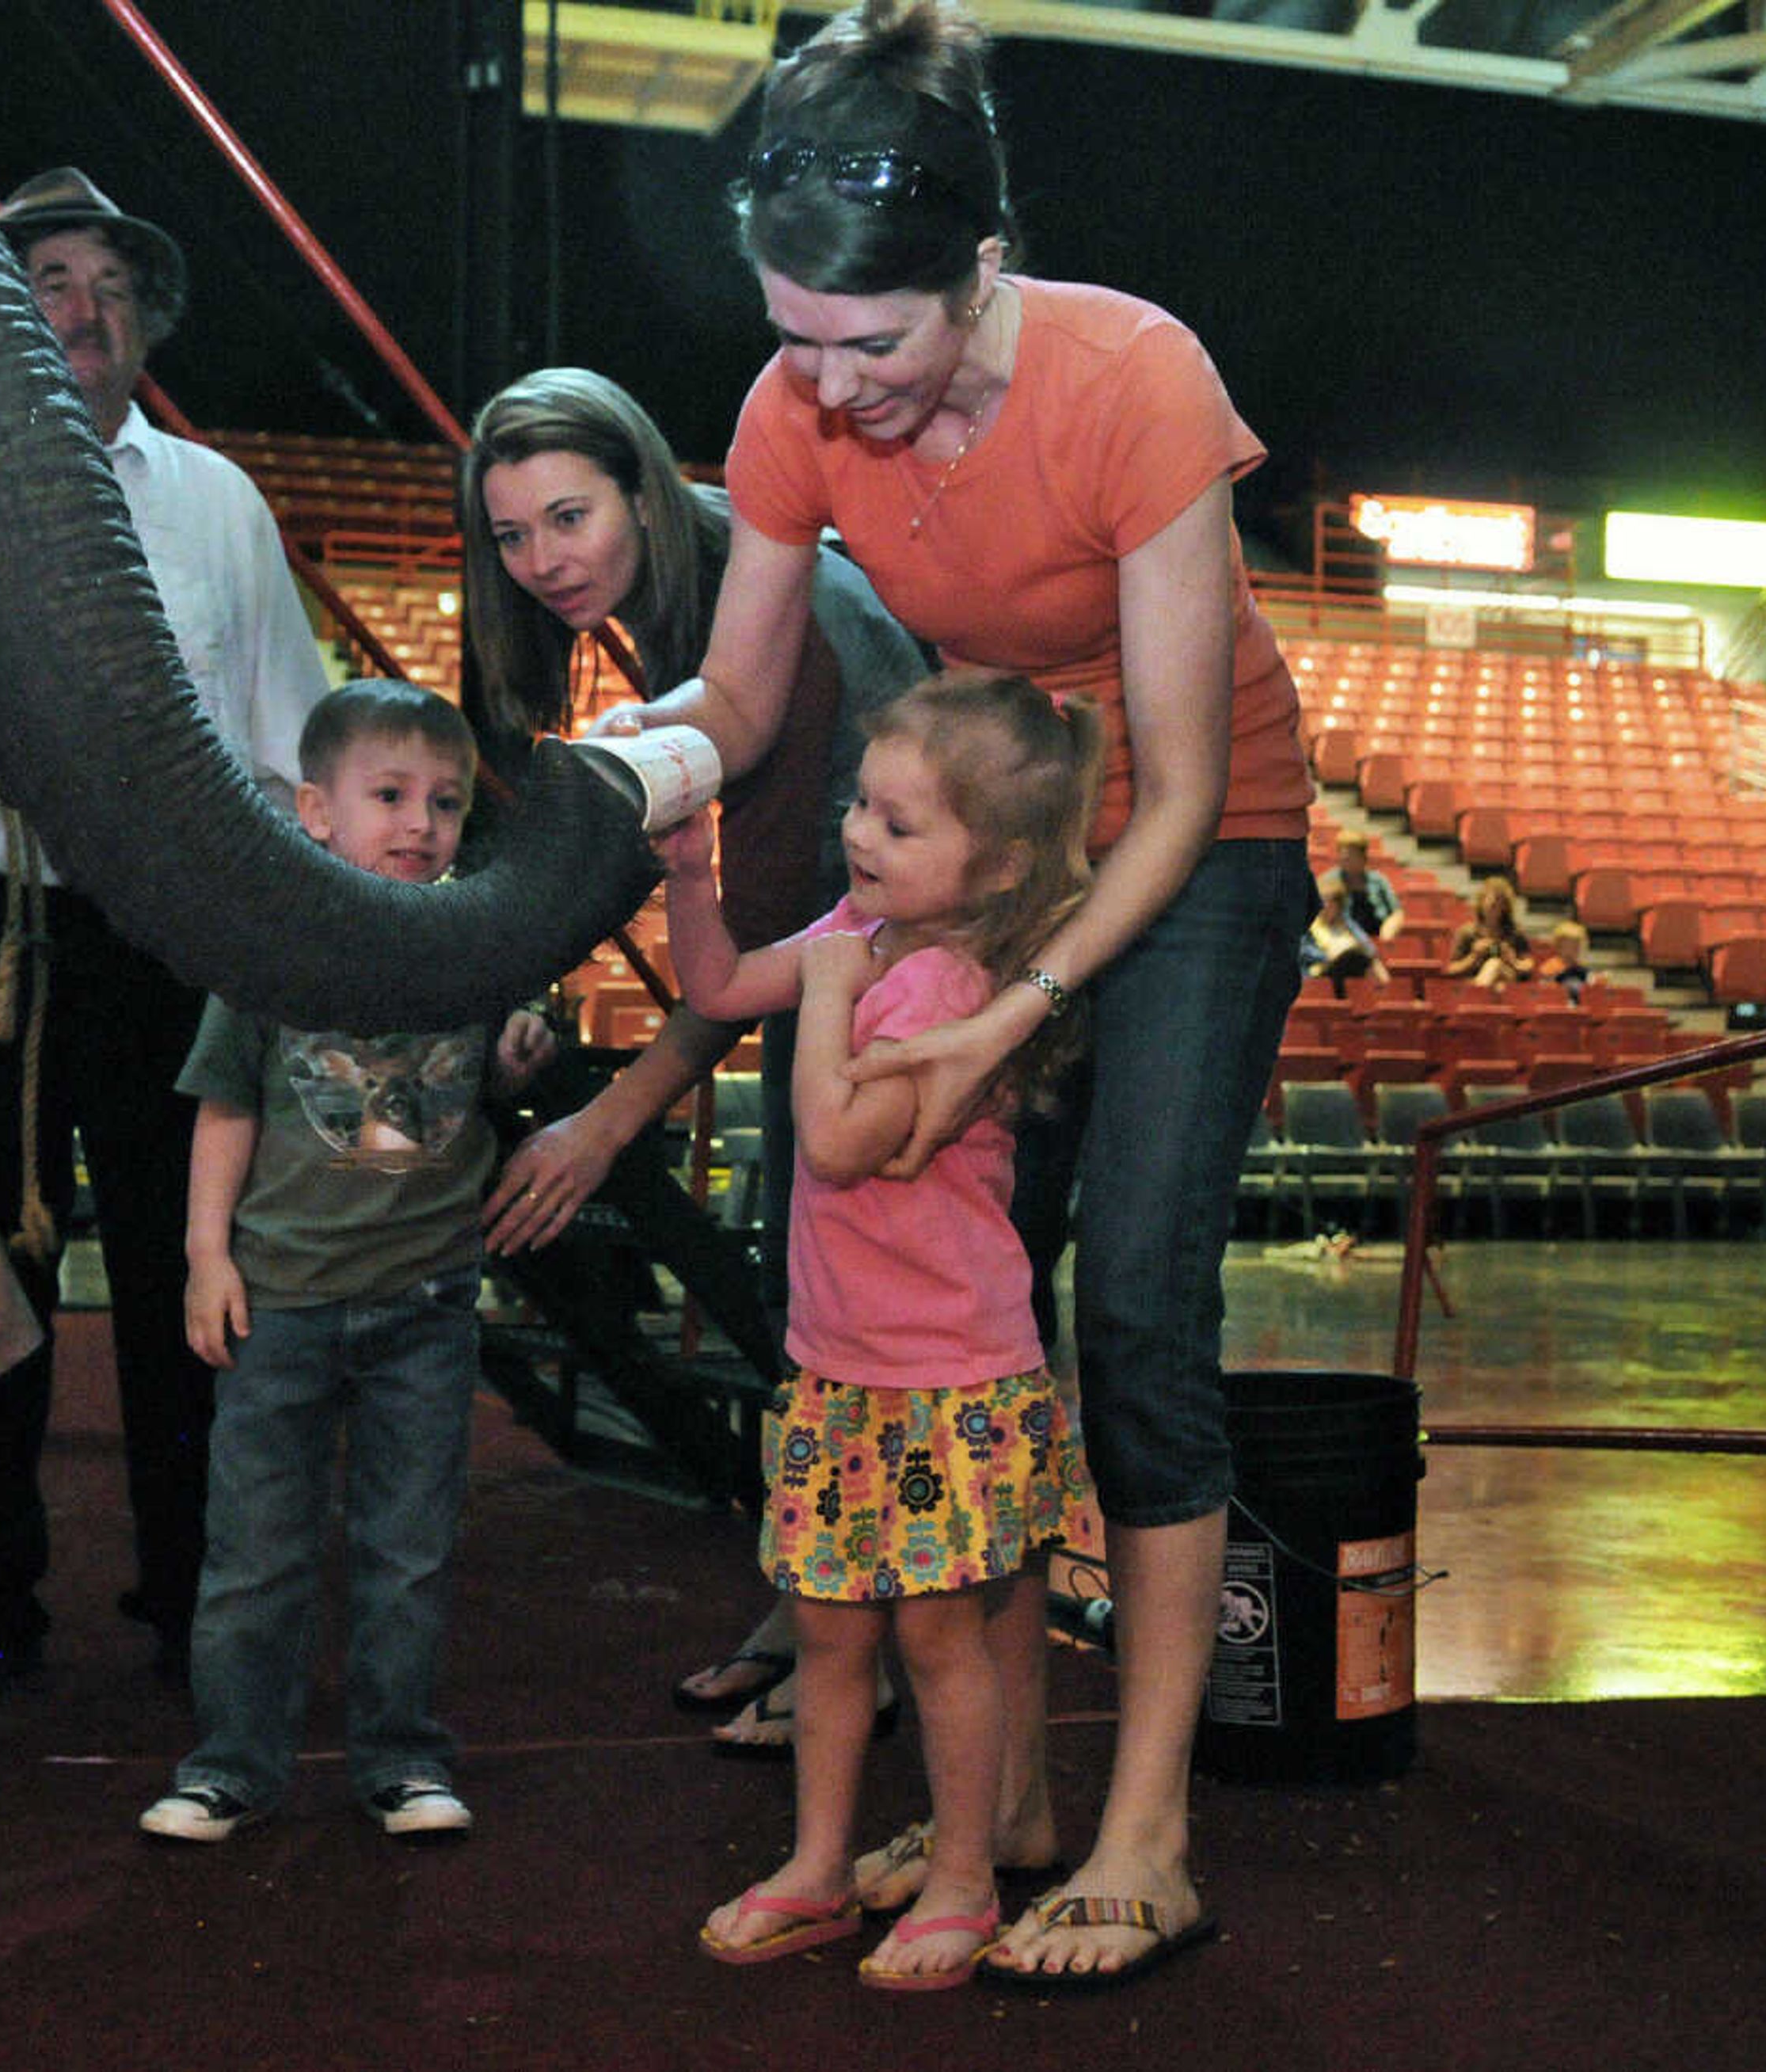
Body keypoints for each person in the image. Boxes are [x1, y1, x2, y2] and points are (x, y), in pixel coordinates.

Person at [601, 0, 1313, 1986]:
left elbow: (1167, 789)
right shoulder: (791, 401)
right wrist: (634, 767)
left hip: (1195, 840)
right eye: (797, 341)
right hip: (994, 852)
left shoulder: (1132, 377)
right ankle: (996, 1799)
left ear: (979, 272)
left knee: (1138, 1306)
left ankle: (1143, 1827)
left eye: (873, 346)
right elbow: (737, 700)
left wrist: (1014, 1005)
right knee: (972, 1323)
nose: (829, 384)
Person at [0, 166, 332, 1693]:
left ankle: (202, 1592)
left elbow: (291, 739)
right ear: (5, 311)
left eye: (112, 283)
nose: (87, 308)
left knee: (200, 1276)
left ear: (146, 318)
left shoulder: (220, 503)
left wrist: (302, 929)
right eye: (50, 278)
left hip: (163, 920)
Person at [458, 366, 928, 1749]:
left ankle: (880, 1656)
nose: (544, 562)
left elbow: (760, 942)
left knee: (883, 1335)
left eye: (569, 517)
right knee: (814, 1315)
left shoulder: (764, 602)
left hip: (916, 985)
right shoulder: (686, 586)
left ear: (645, 491)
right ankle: (816, 1618)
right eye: (512, 536)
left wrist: (603, 1126)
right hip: (847, 969)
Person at [672, 673, 1097, 1986]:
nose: (862, 832)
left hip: (941, 1388)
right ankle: (816, 1866)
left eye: (902, 824)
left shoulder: (943, 988)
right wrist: (692, 875)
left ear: (997, 865)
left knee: (935, 1634)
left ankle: (964, 1875)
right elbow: (723, 979)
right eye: (864, 801)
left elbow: (846, 1140)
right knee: (831, 1628)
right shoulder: (865, 931)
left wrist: (828, 997)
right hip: (841, 1373)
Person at [138, 683, 554, 1847]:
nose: (421, 823)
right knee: (257, 1553)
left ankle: (403, 1759)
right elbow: (223, 1108)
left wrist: (524, 1038)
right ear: (316, 813)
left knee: (406, 1551)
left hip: (427, 1301)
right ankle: (231, 1763)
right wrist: (205, 1259)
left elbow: (502, 1059)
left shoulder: (476, 942)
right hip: (282, 1302)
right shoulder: (274, 948)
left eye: (446, 802)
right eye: (390, 797)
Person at [1297, 870, 1385, 993]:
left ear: (1339, 905)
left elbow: (1369, 949)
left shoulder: (1347, 924)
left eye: (1331, 901)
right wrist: (1330, 956)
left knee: (1361, 960)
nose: (1325, 906)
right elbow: (1303, 954)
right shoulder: (1306, 926)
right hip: (1318, 979)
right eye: (1322, 901)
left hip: (1350, 973)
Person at [1444, 874, 1535, 990]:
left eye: (1499, 904)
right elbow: (1452, 969)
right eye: (1491, 904)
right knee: (1496, 983)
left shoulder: (1515, 932)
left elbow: (1528, 966)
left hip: (1507, 982)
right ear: (1481, 903)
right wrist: (1474, 956)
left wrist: (1512, 961)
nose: (1494, 908)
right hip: (1475, 980)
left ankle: (1479, 994)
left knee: (1495, 964)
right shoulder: (1467, 933)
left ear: (1505, 907)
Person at [1331, 827, 1403, 945]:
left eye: (1351, 855)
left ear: (1363, 857)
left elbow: (1397, 913)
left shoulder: (1378, 881)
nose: (1344, 858)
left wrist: (1388, 930)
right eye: (1342, 854)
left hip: (1376, 939)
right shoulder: (1330, 881)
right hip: (1343, 942)